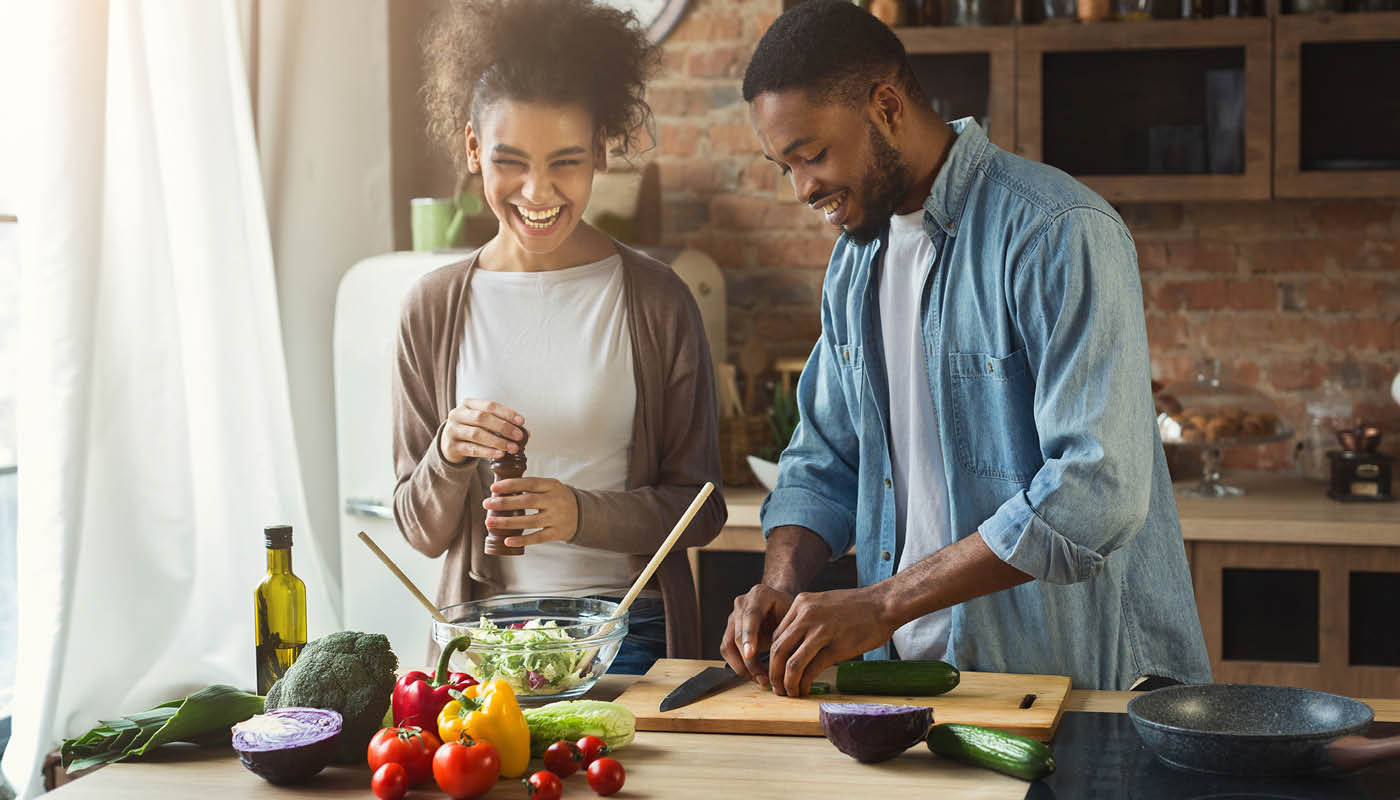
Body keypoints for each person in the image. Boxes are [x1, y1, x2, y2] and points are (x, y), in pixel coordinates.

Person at [720, 0, 1211, 694]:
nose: (803, 189)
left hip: (1071, 686)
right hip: (908, 683)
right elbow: (823, 457)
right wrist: (780, 585)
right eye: (784, 167)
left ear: (887, 106)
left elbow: (1095, 489)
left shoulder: (1056, 232)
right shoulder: (856, 262)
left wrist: (883, 604)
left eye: (815, 155)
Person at [393, 0, 725, 674]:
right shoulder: (431, 308)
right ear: (472, 149)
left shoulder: (658, 300)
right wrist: (447, 456)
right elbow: (419, 530)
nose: (537, 192)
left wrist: (579, 514)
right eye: (510, 161)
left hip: (626, 632)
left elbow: (703, 509)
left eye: (566, 162)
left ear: (600, 150)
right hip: (482, 638)